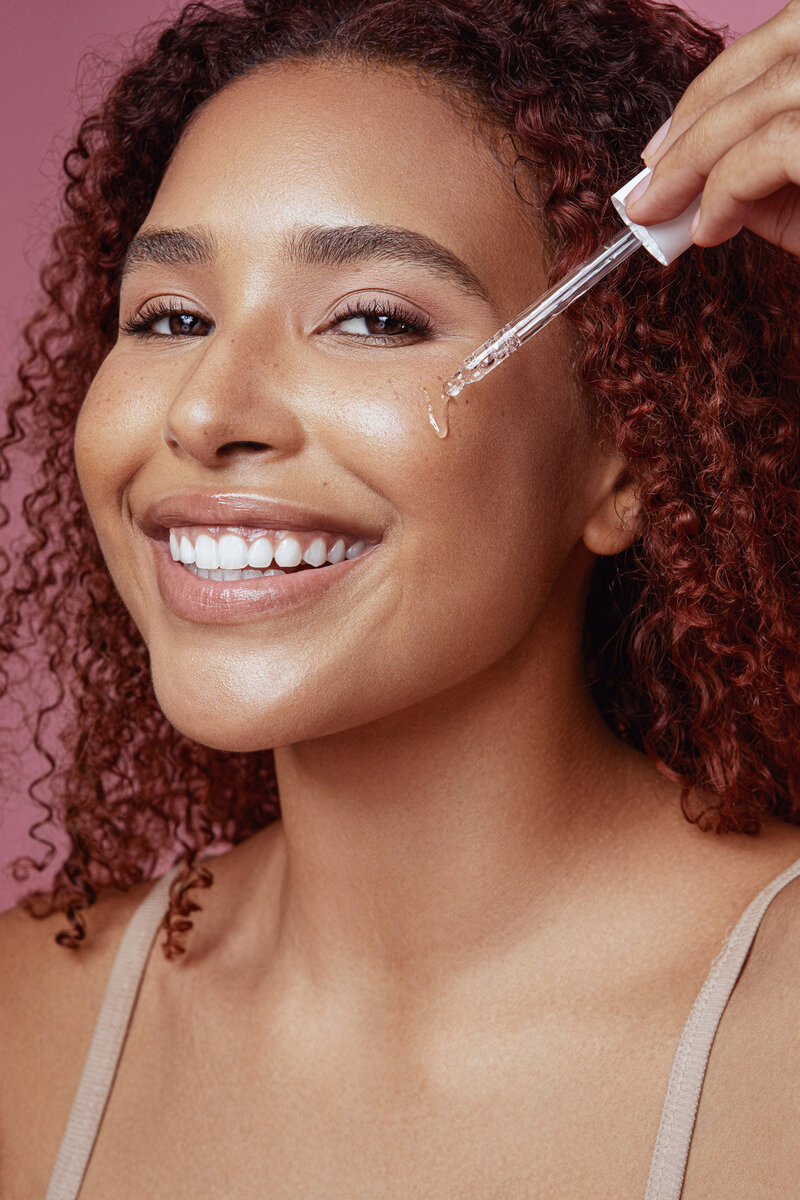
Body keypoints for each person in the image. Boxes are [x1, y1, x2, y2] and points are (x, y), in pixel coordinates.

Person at [2, 0, 800, 1195]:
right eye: (169, 318)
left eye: (372, 318)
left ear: (626, 457)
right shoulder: (30, 1033)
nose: (206, 413)